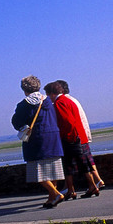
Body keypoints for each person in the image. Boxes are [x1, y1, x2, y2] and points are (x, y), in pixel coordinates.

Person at [13, 75, 67, 208]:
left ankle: (56, 193)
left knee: (38, 172)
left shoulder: (24, 104)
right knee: (52, 170)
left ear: (24, 88)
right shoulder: (48, 101)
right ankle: (51, 198)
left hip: (37, 139)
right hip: (53, 138)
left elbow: (16, 122)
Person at [49, 80, 101, 199]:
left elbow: (67, 122)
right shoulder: (70, 100)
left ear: (52, 93)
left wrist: (69, 137)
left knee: (68, 166)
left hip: (70, 138)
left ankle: (74, 189)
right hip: (78, 136)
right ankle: (89, 186)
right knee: (82, 164)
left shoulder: (59, 103)